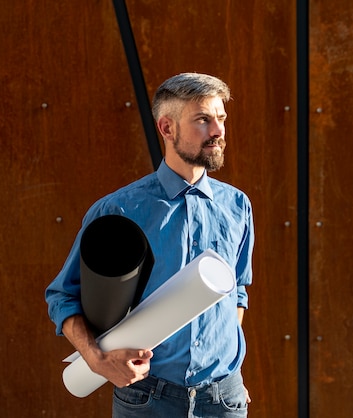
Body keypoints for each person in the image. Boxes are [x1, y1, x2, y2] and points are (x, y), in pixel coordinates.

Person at [45, 73, 254, 417]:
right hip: (148, 400)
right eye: (203, 120)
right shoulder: (120, 210)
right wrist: (98, 360)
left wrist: (232, 374)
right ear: (167, 128)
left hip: (224, 400)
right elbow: (63, 297)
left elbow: (237, 294)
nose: (218, 131)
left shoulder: (237, 206)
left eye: (221, 118)